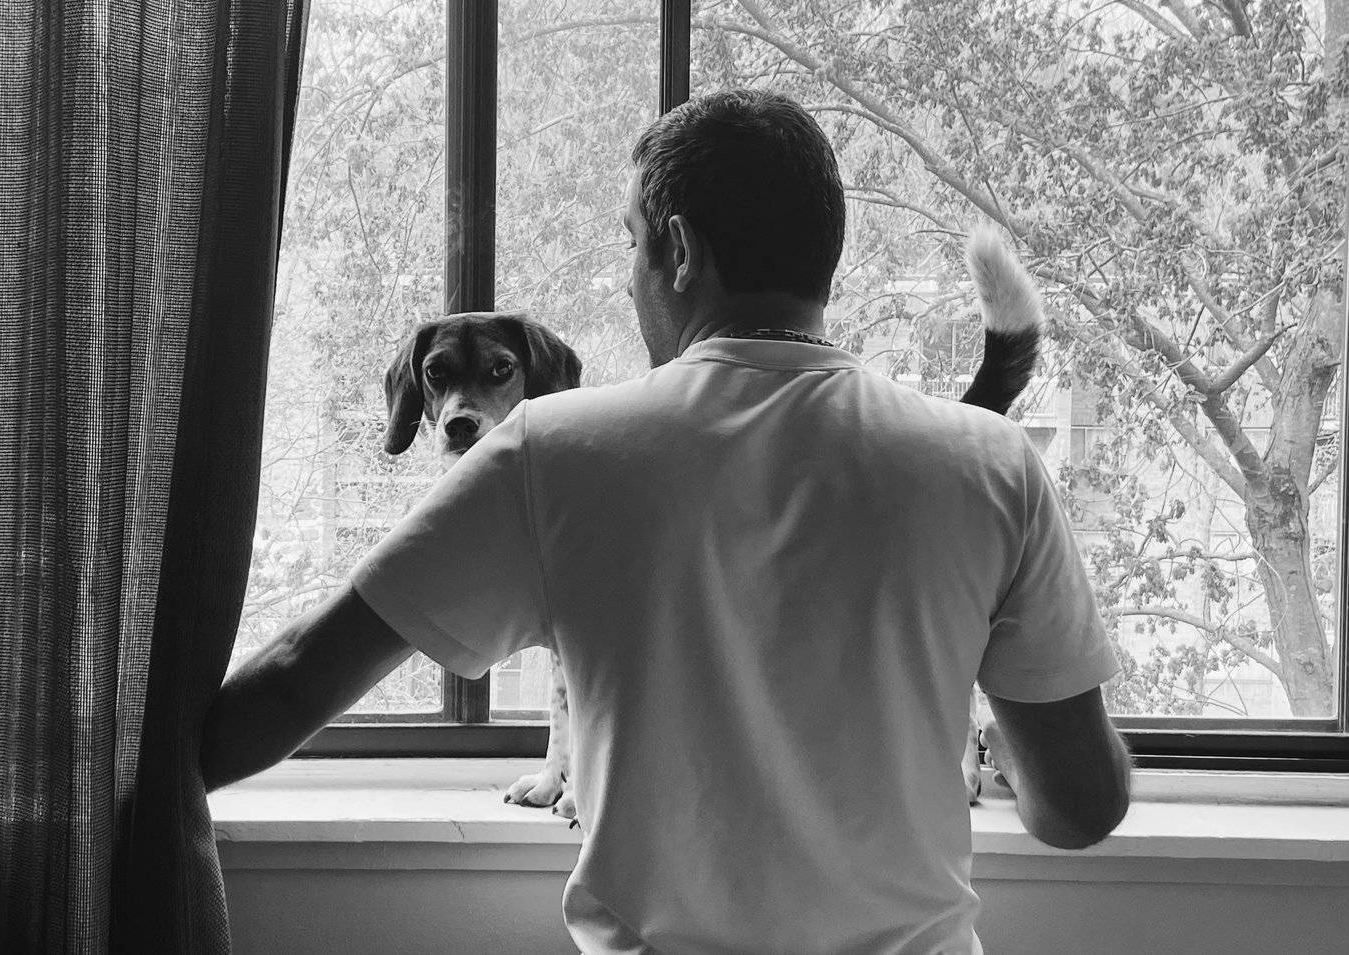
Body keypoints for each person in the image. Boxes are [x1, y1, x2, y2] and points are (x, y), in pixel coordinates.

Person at [200, 88, 1131, 954]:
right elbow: (1080, 807)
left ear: (679, 251)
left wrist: (121, 778)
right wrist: (995, 729)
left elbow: (295, 679)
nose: (628, 280)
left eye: (631, 243)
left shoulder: (552, 453)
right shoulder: (993, 462)